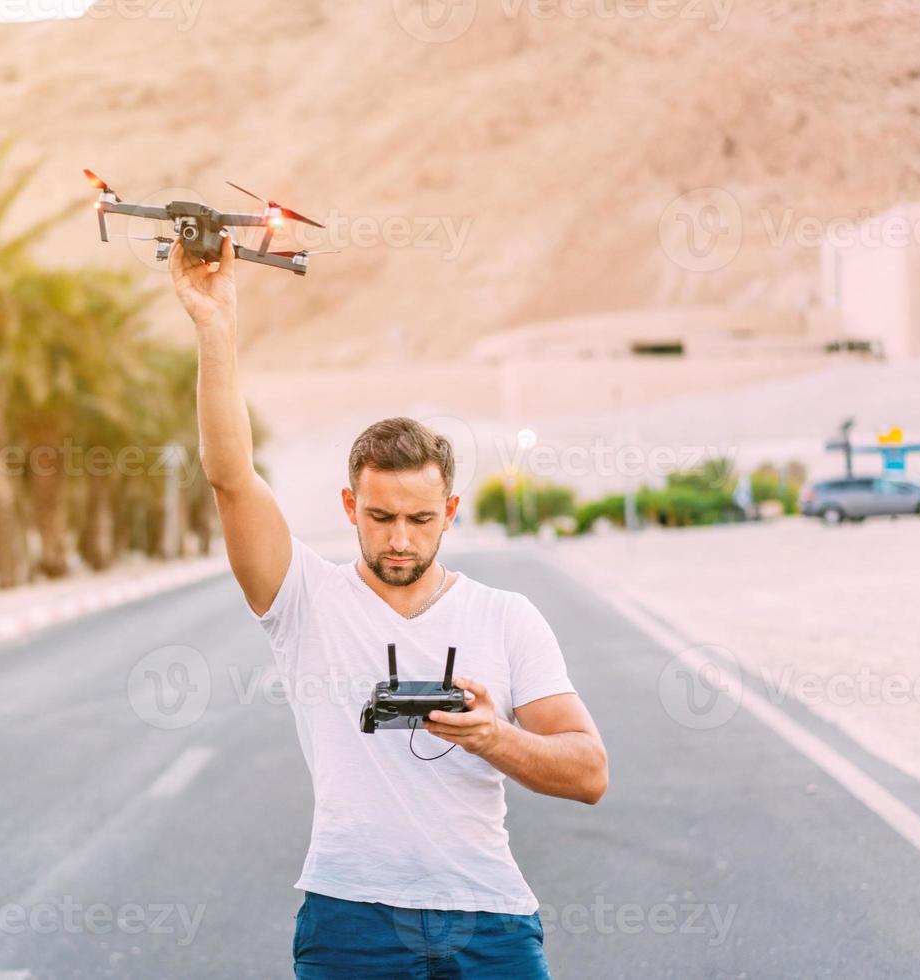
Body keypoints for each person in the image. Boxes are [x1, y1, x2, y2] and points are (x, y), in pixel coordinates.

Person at [170, 236, 608, 979]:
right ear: (349, 504)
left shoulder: (507, 617)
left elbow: (588, 772)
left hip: (490, 918)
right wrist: (216, 331)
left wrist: (491, 737)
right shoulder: (302, 596)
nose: (399, 539)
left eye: (419, 518)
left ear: (450, 509)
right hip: (351, 918)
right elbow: (231, 477)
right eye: (379, 518)